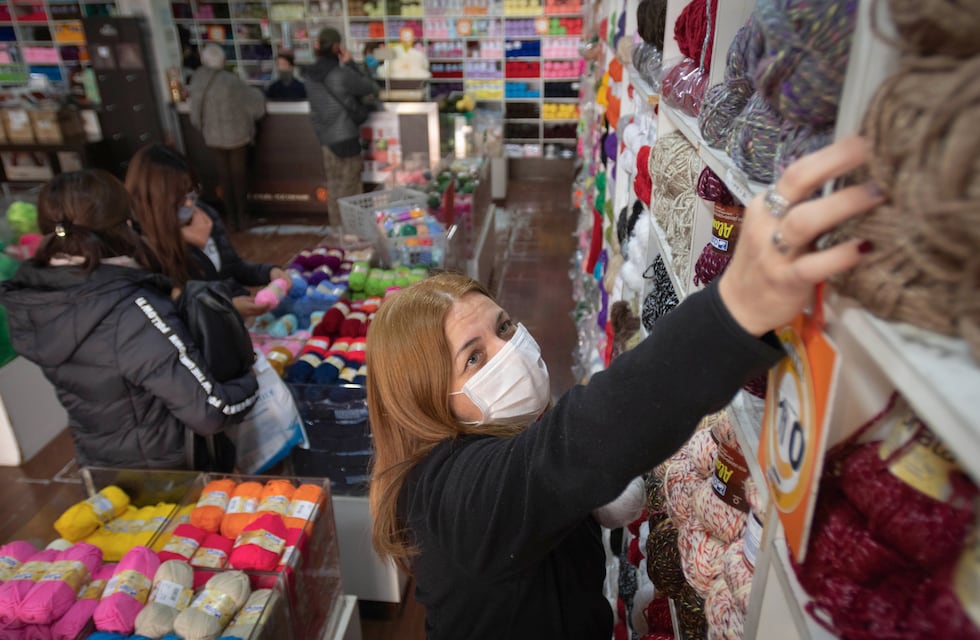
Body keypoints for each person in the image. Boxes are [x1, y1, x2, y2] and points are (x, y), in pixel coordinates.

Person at [365, 136, 882, 639]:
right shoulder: (453, 501)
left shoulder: (490, 446)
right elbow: (573, 448)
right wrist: (735, 313)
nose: (508, 351)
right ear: (423, 399)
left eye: (503, 328)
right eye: (472, 358)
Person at [0, 169, 259, 469]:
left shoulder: (39, 300)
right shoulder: (131, 308)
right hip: (173, 476)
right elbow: (209, 411)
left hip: (102, 467)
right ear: (123, 225)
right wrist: (252, 380)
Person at [125, 143, 289, 318]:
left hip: (235, 319)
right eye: (179, 198)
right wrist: (226, 306)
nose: (189, 203)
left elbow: (233, 266)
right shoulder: (142, 247)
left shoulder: (205, 217)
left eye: (191, 192)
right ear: (153, 201)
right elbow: (172, 309)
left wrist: (269, 272)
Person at [304, 27, 379, 227]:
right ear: (337, 47)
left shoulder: (309, 76)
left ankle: (337, 232)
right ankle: (353, 234)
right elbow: (368, 87)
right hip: (346, 136)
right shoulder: (340, 74)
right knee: (351, 189)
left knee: (335, 187)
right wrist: (351, 63)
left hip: (326, 139)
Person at [188, 43, 266, 231]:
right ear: (222, 60)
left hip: (213, 138)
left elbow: (194, 115)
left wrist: (206, 129)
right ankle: (243, 217)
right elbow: (256, 107)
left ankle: (230, 219)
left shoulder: (197, 80)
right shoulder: (231, 81)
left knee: (224, 177)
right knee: (238, 178)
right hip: (236, 136)